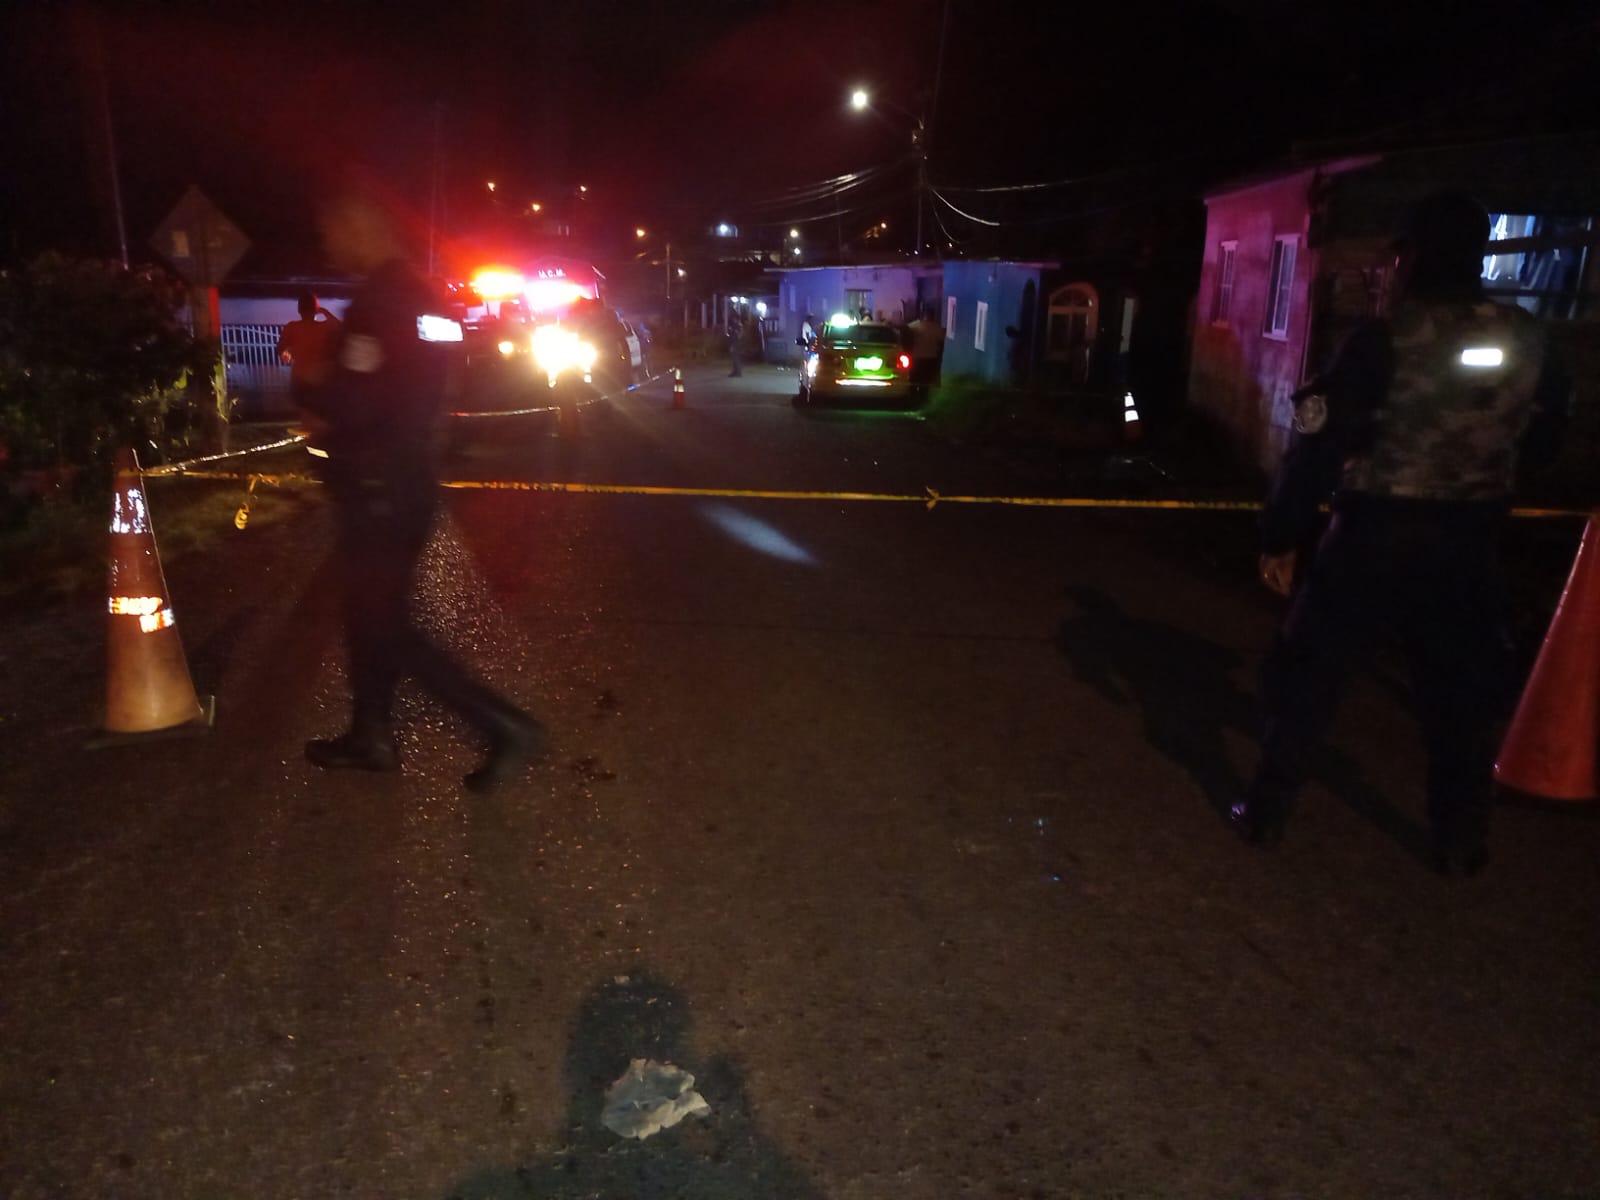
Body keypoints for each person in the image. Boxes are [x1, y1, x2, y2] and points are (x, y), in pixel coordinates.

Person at [1232, 191, 1569, 875]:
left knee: (1311, 676)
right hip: (1468, 539)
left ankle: (1266, 813)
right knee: (1459, 701)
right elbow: (1544, 440)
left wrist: (1281, 533)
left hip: (1374, 533)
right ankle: (1459, 841)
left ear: (1412, 256)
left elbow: (1322, 444)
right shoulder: (1529, 338)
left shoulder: (1385, 338)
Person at [302, 180, 543, 792]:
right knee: (368, 617)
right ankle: (371, 734)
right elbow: (429, 383)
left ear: (363, 228)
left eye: (334, 232)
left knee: (384, 624)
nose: (330, 246)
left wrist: (312, 384)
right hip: (406, 476)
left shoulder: (380, 302)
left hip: (379, 486)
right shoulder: (424, 297)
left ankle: (503, 726)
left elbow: (358, 402)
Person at [276, 290, 342, 406]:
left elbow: (280, 347)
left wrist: (285, 353)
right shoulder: (323, 327)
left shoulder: (292, 327)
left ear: (299, 310)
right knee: (318, 409)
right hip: (319, 378)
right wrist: (324, 311)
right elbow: (339, 327)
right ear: (316, 309)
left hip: (299, 377)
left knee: (303, 409)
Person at [906, 303, 944, 396]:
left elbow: (905, 333)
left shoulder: (914, 326)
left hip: (917, 357)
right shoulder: (937, 328)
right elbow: (941, 342)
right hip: (930, 358)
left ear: (923, 315)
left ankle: (913, 396)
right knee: (926, 379)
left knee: (914, 378)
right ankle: (923, 396)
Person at [726, 311, 743, 377]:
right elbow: (730, 334)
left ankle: (738, 372)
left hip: (736, 343)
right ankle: (735, 371)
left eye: (734, 318)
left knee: (736, 358)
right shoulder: (733, 325)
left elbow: (738, 335)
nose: (733, 319)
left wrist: (733, 344)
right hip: (733, 342)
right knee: (734, 358)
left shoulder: (738, 325)